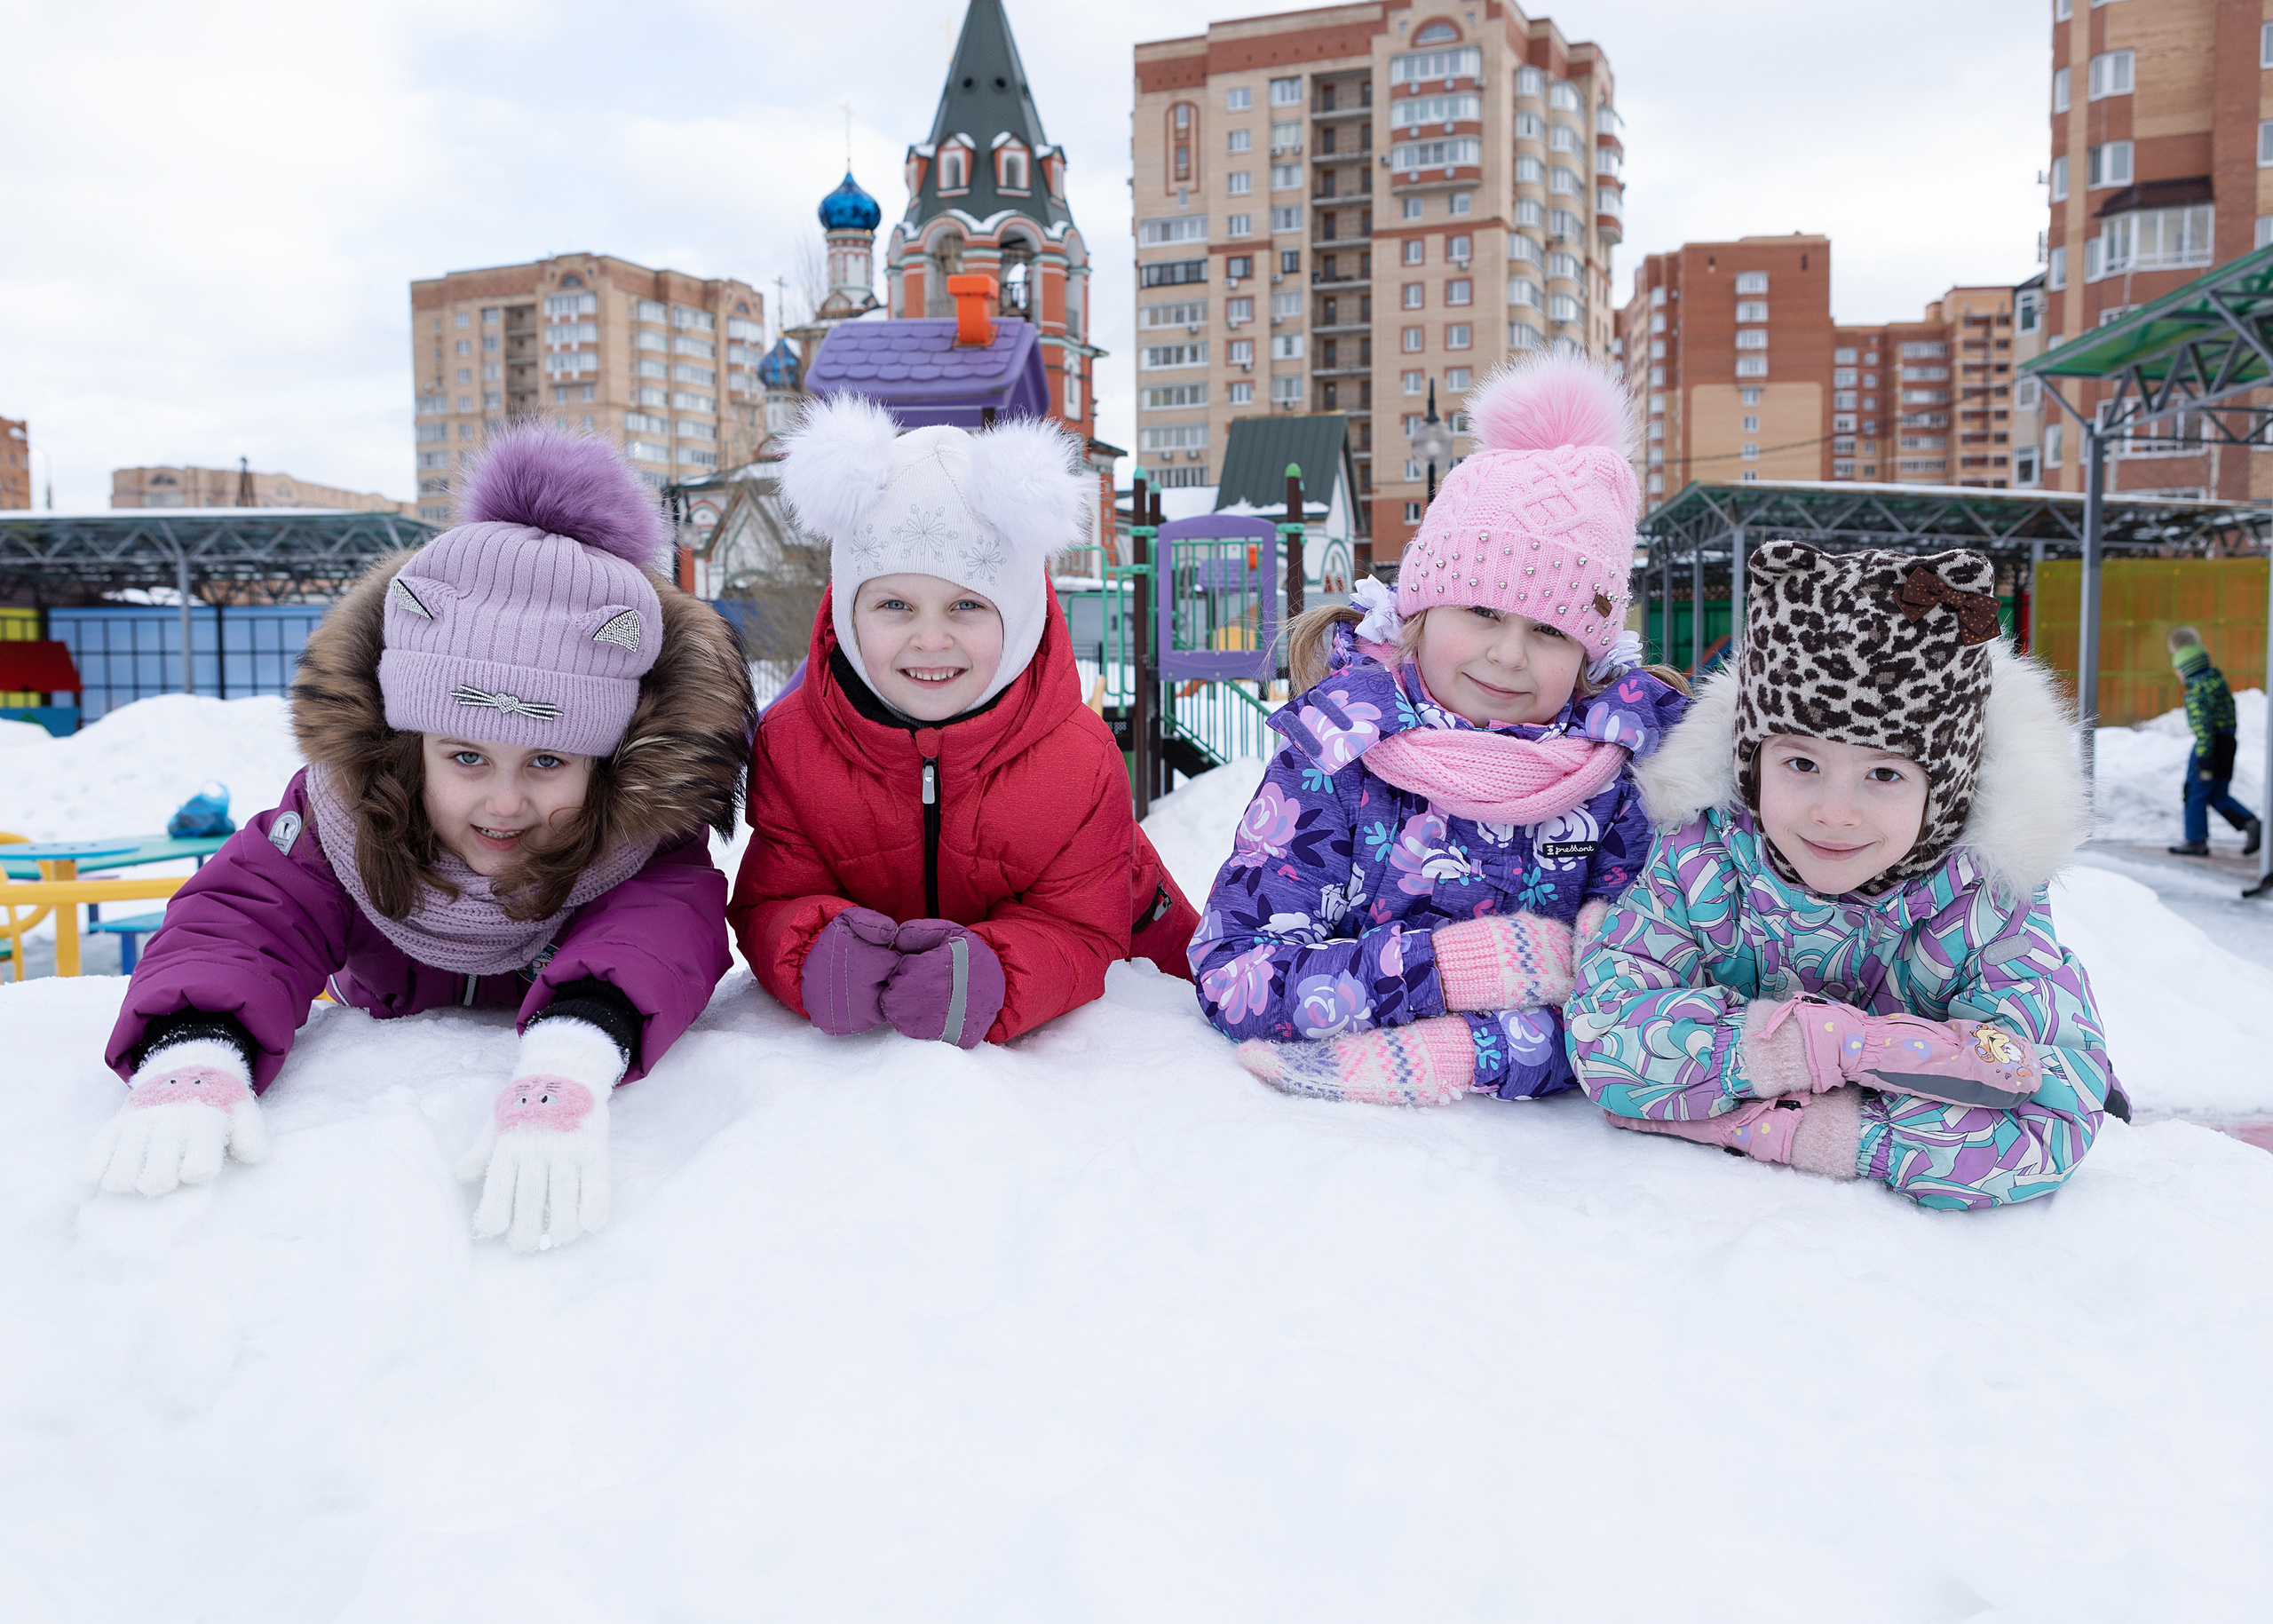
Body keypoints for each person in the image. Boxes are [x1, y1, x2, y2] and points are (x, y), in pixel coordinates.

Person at [88, 425, 756, 1250]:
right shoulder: (342, 825)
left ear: (607, 758)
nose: (503, 801)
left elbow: (660, 930)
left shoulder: (634, 846)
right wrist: (196, 1048)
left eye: (548, 759)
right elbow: (249, 915)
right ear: (412, 743)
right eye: (466, 756)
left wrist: (576, 1053)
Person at [1567, 542, 2128, 1210]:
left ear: (1942, 788)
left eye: (1884, 773)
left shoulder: (1983, 904)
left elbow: (2049, 1117)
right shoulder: (1700, 864)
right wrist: (1806, 1047)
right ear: (1753, 762)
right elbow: (1605, 1034)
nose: (1835, 812)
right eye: (1801, 764)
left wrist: (1812, 1131)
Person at [1190, 354, 1688, 1105]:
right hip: (1320, 1163)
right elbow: (1236, 975)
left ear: (1590, 654)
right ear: (1423, 610)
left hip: (1550, 1182)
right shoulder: (1341, 754)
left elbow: (1641, 1014)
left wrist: (1460, 1051)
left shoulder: (1617, 781)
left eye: (1551, 632)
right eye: (1483, 612)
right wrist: (1456, 966)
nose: (1509, 655)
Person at [730, 397, 1198, 1050]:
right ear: (845, 609)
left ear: (1021, 613)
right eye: (894, 603)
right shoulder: (794, 746)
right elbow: (771, 900)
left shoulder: (1078, 760)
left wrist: (998, 978)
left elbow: (1085, 927)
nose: (929, 638)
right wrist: (813, 954)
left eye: (966, 605)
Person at [2166, 625, 2261, 858]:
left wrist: (2205, 757)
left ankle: (2195, 840)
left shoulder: (2196, 693)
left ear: (2186, 669)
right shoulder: (2219, 685)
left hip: (2208, 749)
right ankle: (2252, 824)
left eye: (2177, 669)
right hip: (2227, 743)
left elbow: (2203, 729)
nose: (2177, 673)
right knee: (2218, 795)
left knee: (2195, 793)